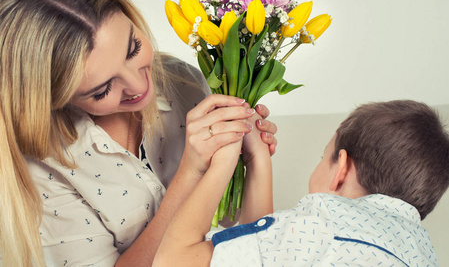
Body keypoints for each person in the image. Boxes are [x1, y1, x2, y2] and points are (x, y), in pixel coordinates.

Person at [0, 0, 279, 267]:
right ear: (55, 98)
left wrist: (251, 158)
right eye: (102, 89)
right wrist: (190, 173)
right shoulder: (41, 166)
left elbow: (238, 237)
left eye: (133, 48)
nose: (138, 86)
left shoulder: (183, 81)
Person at [154, 100, 449, 266]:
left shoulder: (319, 227)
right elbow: (264, 257)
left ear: (341, 170)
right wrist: (258, 161)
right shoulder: (423, 254)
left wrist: (223, 161)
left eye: (324, 156)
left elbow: (172, 261)